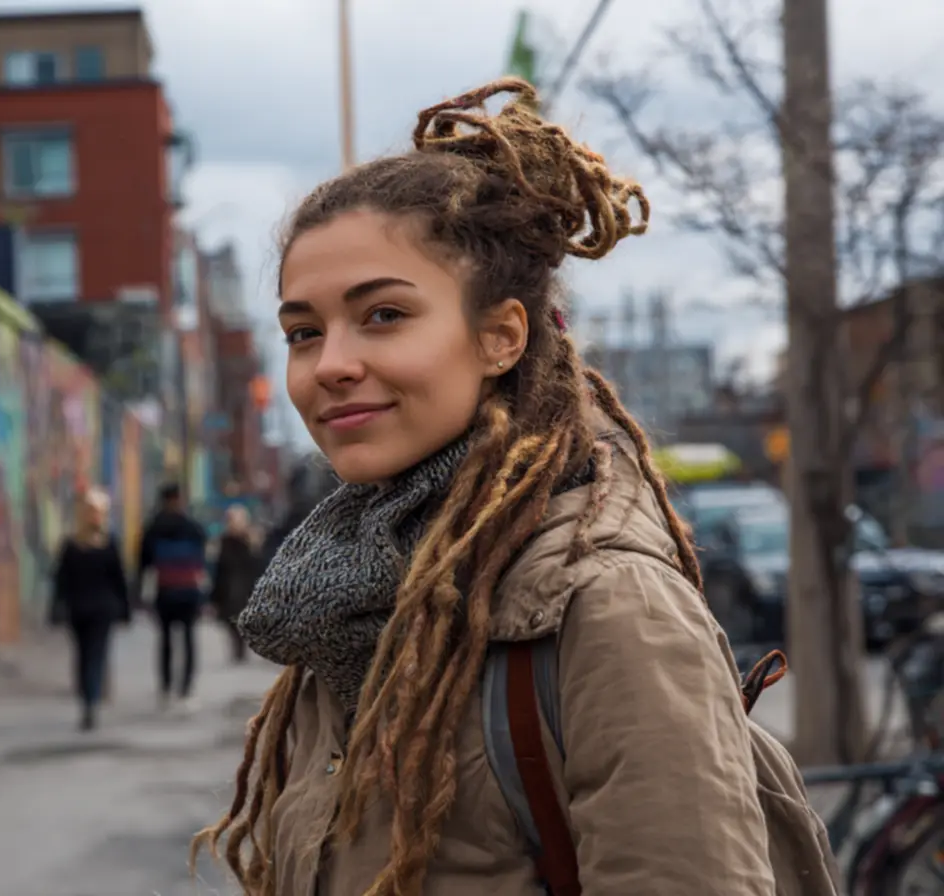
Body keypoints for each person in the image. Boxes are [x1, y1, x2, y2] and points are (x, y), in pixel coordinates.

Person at [191, 79, 829, 895]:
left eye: (383, 315)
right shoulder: (348, 604)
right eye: (303, 332)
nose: (331, 364)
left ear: (500, 336)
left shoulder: (606, 606)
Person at [51, 487, 129, 731]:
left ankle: (91, 702)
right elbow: (61, 580)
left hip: (99, 610)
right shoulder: (74, 545)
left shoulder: (105, 544)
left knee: (93, 655)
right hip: (81, 610)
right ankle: (89, 697)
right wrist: (56, 607)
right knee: (86, 656)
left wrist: (125, 608)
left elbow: (119, 580)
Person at [138, 483, 209, 710]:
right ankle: (186, 687)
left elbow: (144, 564)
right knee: (188, 639)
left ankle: (167, 686)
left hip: (165, 590)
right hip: (188, 590)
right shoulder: (193, 527)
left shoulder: (153, 528)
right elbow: (203, 561)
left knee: (166, 640)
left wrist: (139, 596)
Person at [210, 505, 261, 664]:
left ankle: (240, 649)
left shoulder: (251, 542)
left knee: (242, 620)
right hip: (228, 588)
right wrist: (215, 596)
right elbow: (219, 569)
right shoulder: (224, 542)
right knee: (230, 621)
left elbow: (257, 567)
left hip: (246, 587)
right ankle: (237, 649)